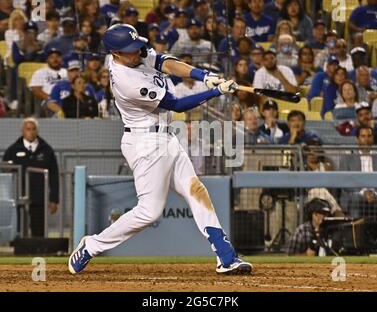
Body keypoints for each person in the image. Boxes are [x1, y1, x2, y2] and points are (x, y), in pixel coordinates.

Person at [68, 24, 252, 275]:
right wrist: (215, 91)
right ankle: (91, 246)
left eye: (137, 46)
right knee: (149, 212)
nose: (138, 52)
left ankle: (226, 257)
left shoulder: (135, 55)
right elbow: (175, 105)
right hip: (145, 144)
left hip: (166, 137)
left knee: (196, 190)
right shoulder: (126, 81)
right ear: (115, 54)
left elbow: (164, 61)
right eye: (130, 50)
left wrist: (202, 75)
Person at [2, 118, 59, 237]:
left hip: (39, 198)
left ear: (37, 131)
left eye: (33, 129)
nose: (31, 132)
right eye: (28, 129)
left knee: (38, 232)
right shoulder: (13, 150)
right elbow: (4, 171)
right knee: (18, 231)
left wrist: (54, 199)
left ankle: (39, 252)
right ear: (22, 131)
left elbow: (54, 175)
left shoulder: (47, 150)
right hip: (19, 198)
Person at [339, 126, 377, 219]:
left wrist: (375, 193)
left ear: (373, 138)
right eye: (363, 136)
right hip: (356, 194)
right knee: (356, 200)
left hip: (376, 194)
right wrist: (363, 192)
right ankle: (356, 231)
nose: (366, 139)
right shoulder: (347, 158)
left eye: (369, 136)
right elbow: (345, 182)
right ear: (358, 139)